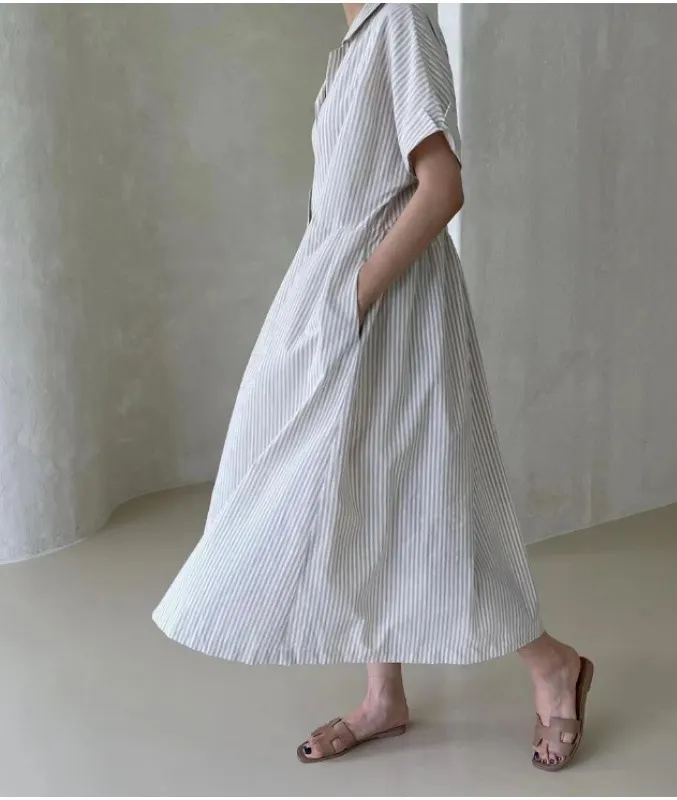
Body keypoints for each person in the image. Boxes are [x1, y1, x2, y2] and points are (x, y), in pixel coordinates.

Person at [152, 2, 593, 771]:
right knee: (364, 487)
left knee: (427, 497)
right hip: (342, 302)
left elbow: (442, 187)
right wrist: (337, 299)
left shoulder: (400, 22)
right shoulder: (358, 39)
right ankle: (383, 697)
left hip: (391, 306)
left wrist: (355, 295)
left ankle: (552, 663)